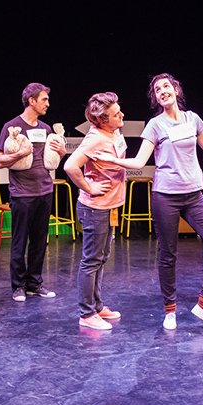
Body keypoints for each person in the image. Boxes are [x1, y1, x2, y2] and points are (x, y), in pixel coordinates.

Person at [96, 73, 203, 330]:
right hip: (165, 196)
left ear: (176, 90)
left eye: (166, 86)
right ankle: (170, 310)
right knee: (168, 255)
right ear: (156, 98)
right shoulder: (155, 125)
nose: (162, 91)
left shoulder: (192, 119)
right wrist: (113, 160)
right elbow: (140, 161)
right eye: (157, 90)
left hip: (193, 196)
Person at [0, 83, 66, 302]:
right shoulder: (11, 126)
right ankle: (18, 285)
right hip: (22, 193)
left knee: (39, 241)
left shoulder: (46, 129)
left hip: (44, 191)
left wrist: (62, 151)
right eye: (44, 99)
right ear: (31, 101)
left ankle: (35, 283)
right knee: (19, 241)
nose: (48, 104)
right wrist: (21, 153)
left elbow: (53, 157)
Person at [64, 92, 126, 331]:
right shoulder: (95, 138)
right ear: (102, 120)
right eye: (116, 114)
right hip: (95, 208)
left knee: (102, 258)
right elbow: (70, 166)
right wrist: (89, 187)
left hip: (109, 206)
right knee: (91, 260)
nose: (122, 115)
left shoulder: (114, 132)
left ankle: (97, 306)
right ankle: (86, 313)